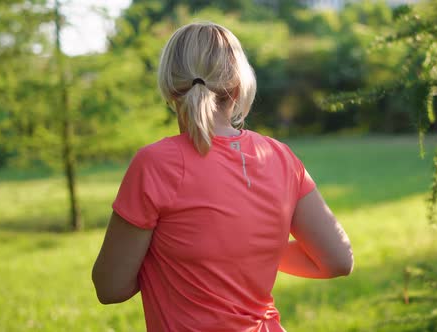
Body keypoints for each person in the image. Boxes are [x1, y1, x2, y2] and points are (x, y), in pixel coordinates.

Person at [92, 22, 354, 332]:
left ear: (169, 87)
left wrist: (212, 254)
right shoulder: (279, 156)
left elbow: (111, 287)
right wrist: (250, 250)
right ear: (239, 86)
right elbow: (337, 260)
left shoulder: (156, 164)